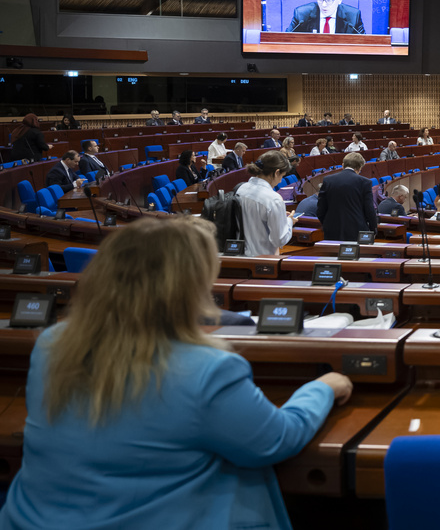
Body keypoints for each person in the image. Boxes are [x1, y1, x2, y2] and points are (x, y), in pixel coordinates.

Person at [0, 217, 351, 530]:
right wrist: (322, 388)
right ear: (188, 288)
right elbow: (275, 441)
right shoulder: (207, 369)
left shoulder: (52, 343)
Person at [236, 150, 298, 256]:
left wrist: (280, 216)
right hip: (263, 259)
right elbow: (279, 240)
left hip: (241, 256)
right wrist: (289, 221)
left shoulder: (241, 189)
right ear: (276, 172)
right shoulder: (273, 199)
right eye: (281, 176)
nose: (280, 181)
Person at [317, 152, 378, 242]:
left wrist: (327, 223)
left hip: (332, 230)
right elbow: (369, 209)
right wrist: (373, 229)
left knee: (331, 255)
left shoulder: (328, 180)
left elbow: (320, 209)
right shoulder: (365, 182)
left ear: (343, 165)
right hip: (356, 229)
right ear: (360, 167)